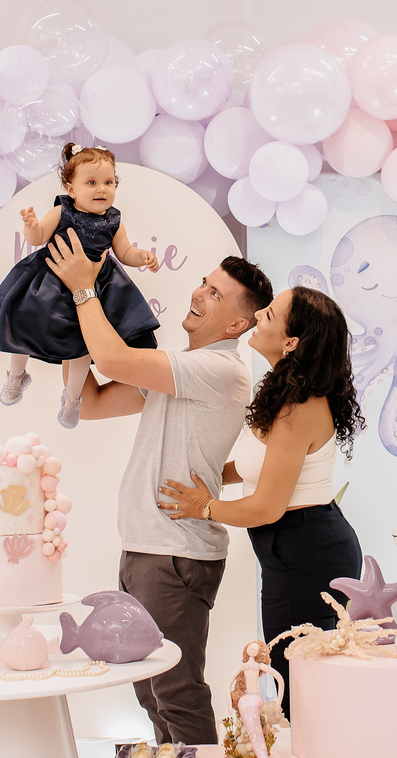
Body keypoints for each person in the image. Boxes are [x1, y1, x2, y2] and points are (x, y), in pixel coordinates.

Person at [44, 229, 273, 746]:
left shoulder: (219, 369)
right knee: (150, 689)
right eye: (203, 283)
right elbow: (94, 402)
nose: (198, 294)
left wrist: (83, 289)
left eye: (214, 293)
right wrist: (62, 328)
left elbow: (113, 360)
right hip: (147, 548)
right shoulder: (179, 372)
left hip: (175, 553)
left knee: (175, 689)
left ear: (237, 324)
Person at [158, 286, 365, 718]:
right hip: (293, 546)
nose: (257, 317)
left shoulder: (299, 407)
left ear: (291, 342)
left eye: (268, 315)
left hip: (307, 552)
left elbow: (265, 507)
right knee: (294, 676)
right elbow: (259, 466)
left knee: (296, 680)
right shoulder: (284, 390)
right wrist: (211, 474)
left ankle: (319, 756)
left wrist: (203, 506)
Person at [0, 144, 160, 428]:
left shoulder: (114, 220)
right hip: (51, 280)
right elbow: (39, 236)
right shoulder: (61, 211)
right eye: (91, 183)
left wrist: (142, 257)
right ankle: (16, 375)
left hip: (96, 287)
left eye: (108, 182)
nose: (101, 189)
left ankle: (73, 398)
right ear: (71, 189)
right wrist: (31, 225)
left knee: (83, 344)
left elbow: (125, 252)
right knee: (23, 321)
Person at [227, 641, 292, 758]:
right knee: (244, 705)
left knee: (251, 710)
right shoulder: (242, 666)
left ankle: (262, 757)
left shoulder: (259, 666)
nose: (252, 647)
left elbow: (279, 679)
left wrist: (279, 701)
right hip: (246, 698)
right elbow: (229, 683)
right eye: (250, 646)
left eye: (256, 647)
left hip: (255, 697)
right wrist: (229, 703)